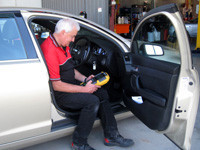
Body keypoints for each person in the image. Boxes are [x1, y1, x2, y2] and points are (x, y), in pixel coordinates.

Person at [41, 18, 134, 150]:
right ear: (62, 32)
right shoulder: (50, 50)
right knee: (92, 101)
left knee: (102, 93)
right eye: (72, 36)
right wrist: (85, 89)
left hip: (70, 84)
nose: (73, 40)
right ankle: (79, 142)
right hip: (62, 93)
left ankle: (111, 135)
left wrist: (85, 80)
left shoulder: (62, 44)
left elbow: (70, 69)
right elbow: (57, 85)